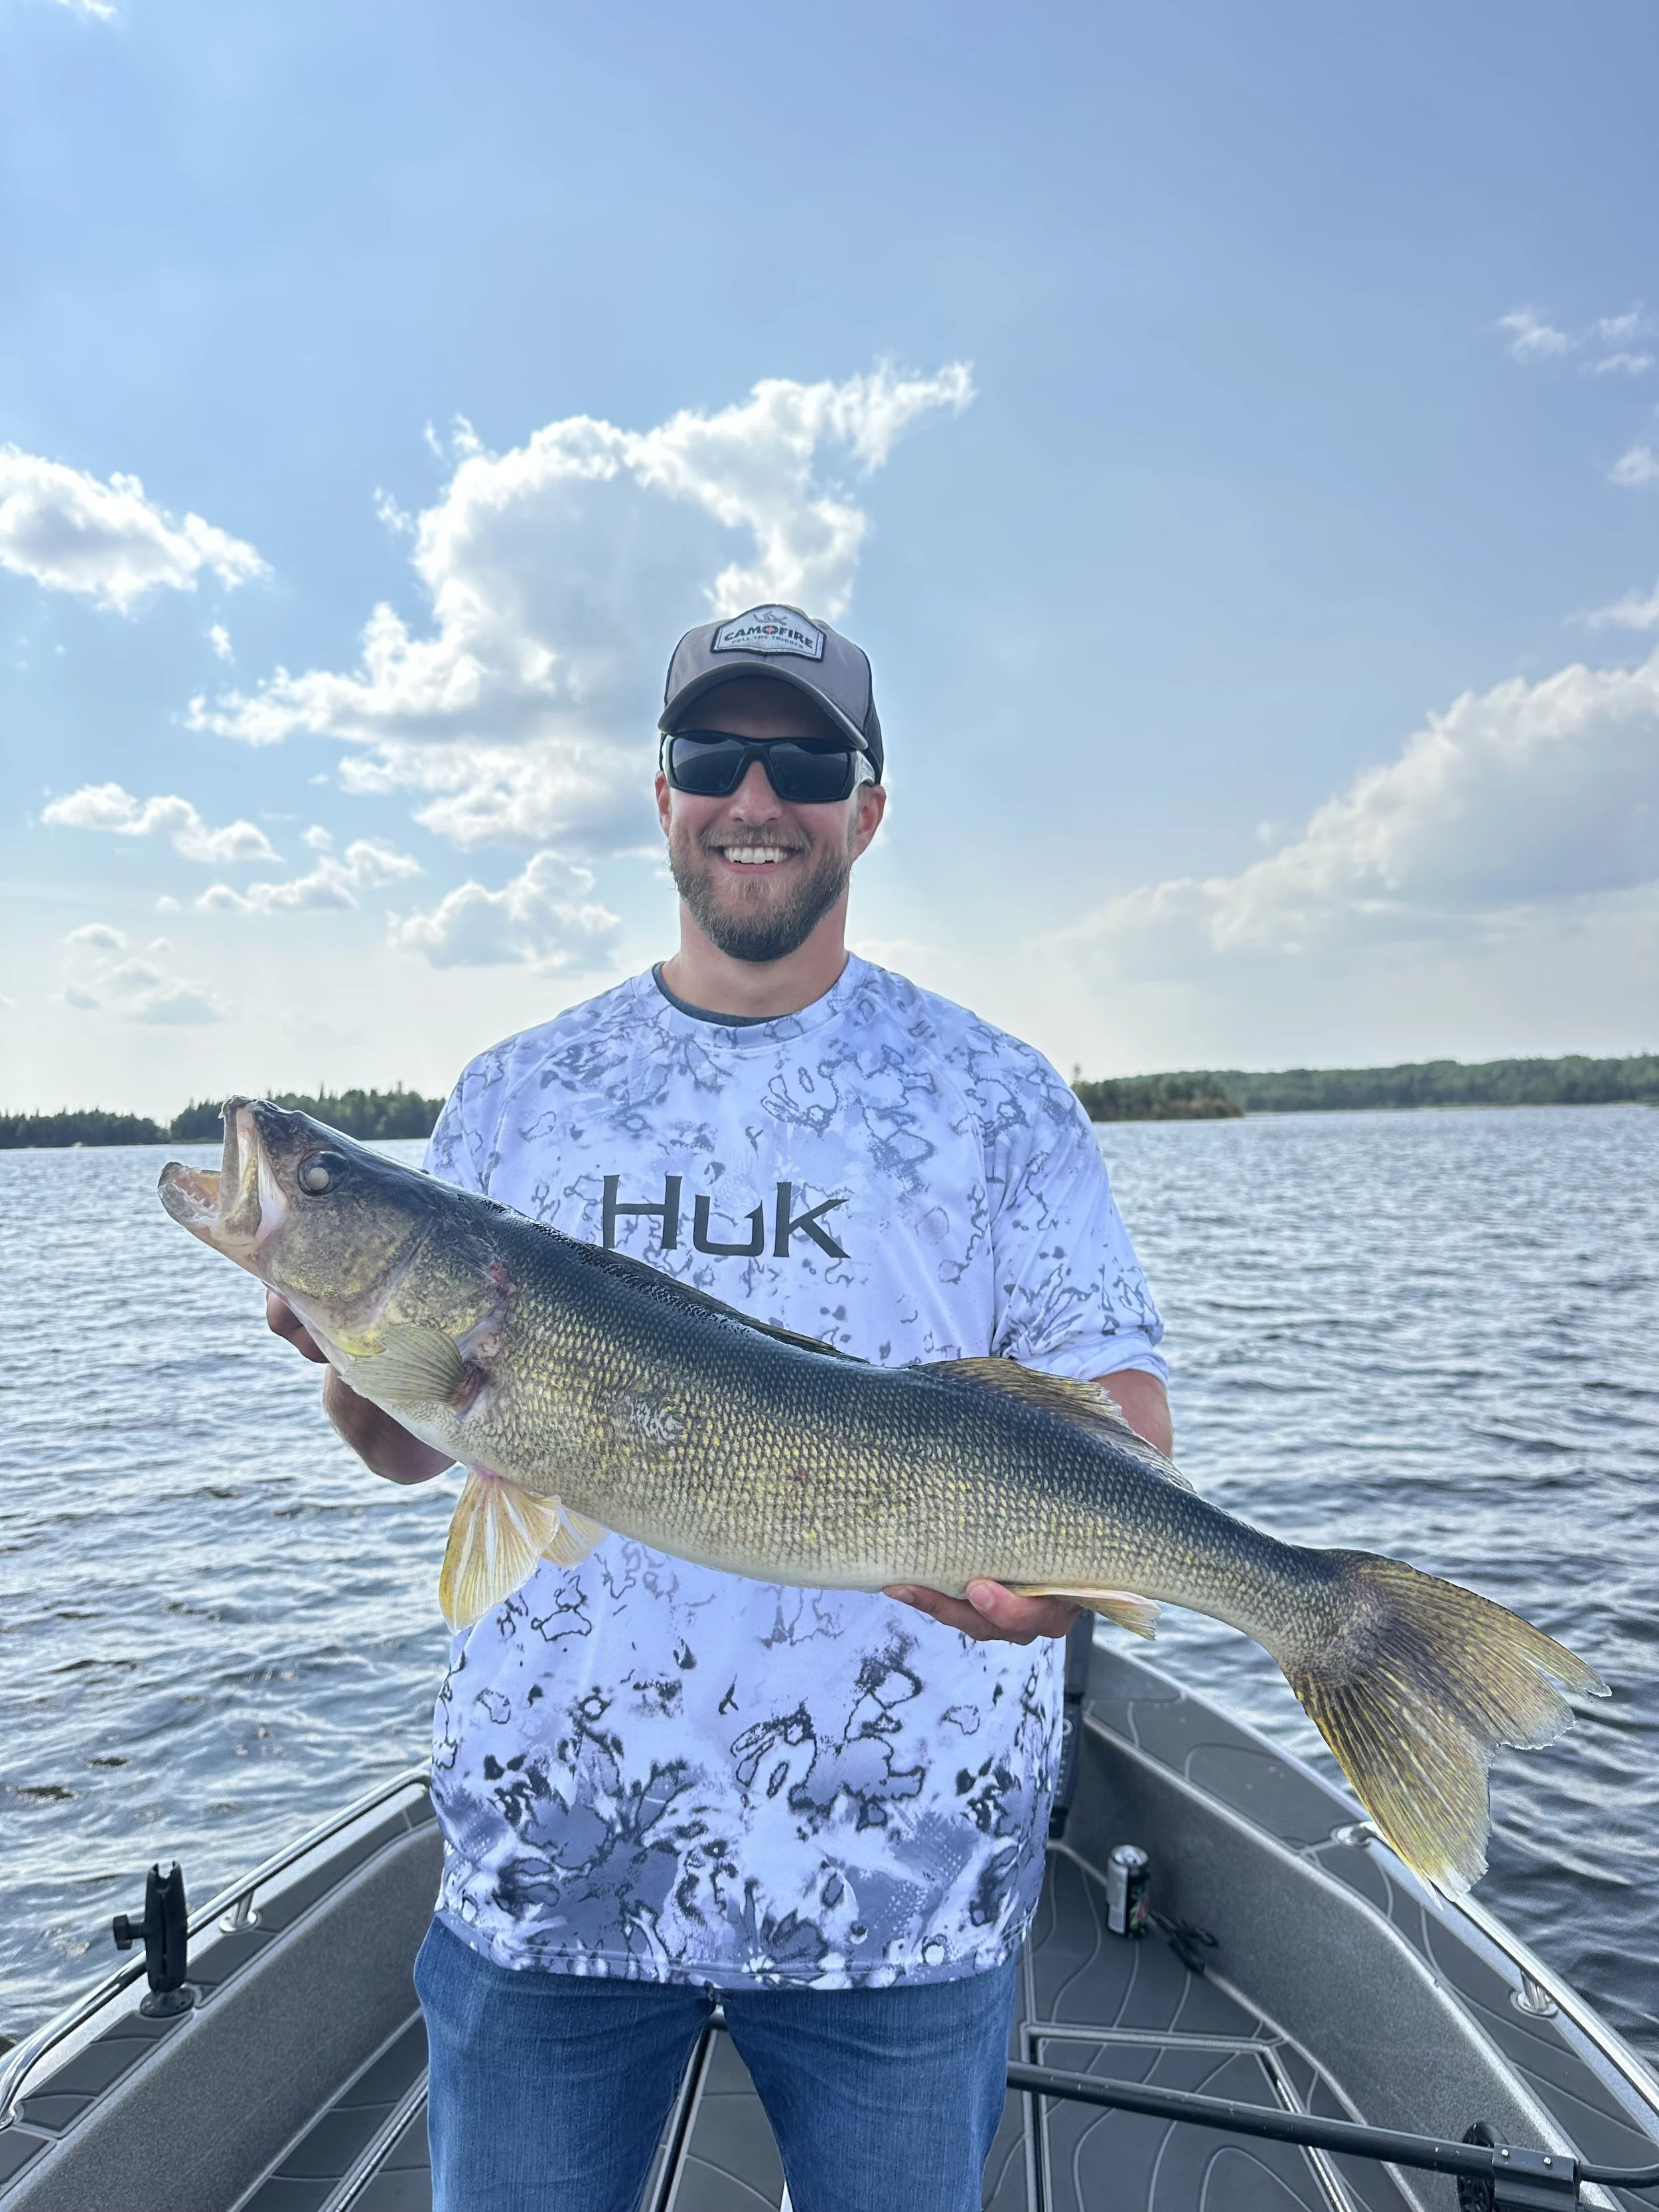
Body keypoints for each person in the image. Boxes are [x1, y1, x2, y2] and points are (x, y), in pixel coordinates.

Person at [268, 601, 1171, 2212]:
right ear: (662, 793)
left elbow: (1118, 1424)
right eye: (712, 752)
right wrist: (351, 1346)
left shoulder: (996, 1094)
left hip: (900, 1882)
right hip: (556, 1868)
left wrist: (1061, 1588)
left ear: (867, 808)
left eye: (805, 758)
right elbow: (414, 1441)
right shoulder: (514, 1092)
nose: (755, 794)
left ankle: (1350, 1634)